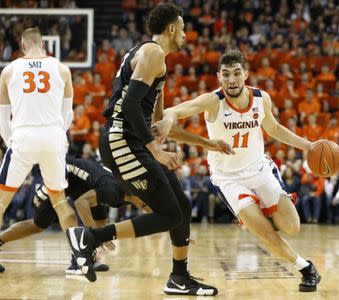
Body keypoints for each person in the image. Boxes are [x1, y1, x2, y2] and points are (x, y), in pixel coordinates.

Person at [65, 3, 228, 296]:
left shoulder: (156, 64)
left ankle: (179, 278)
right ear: (171, 28)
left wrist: (207, 143)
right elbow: (128, 106)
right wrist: (156, 151)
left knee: (182, 207)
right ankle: (89, 236)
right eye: (183, 29)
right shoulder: (152, 53)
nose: (186, 35)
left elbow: (160, 125)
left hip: (132, 140)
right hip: (121, 140)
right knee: (168, 215)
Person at [153, 50, 321, 292]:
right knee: (264, 232)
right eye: (226, 74)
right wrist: (168, 119)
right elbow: (176, 110)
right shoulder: (214, 101)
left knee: (292, 227)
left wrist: (307, 145)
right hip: (228, 178)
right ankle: (306, 268)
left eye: (236, 74)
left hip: (259, 170)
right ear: (219, 77)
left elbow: (273, 128)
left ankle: (266, 211)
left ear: (246, 74)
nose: (231, 80)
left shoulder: (261, 98)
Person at [0, 28, 77, 259]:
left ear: (23, 46)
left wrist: (11, 142)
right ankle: (80, 256)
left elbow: (3, 116)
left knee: (2, 200)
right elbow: (68, 114)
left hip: (23, 137)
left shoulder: (9, 70)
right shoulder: (62, 69)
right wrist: (58, 137)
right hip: (53, 137)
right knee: (60, 202)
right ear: (44, 45)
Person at [0, 156, 151, 274]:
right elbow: (81, 203)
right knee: (38, 225)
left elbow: (99, 216)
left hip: (82, 185)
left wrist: (100, 236)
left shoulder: (123, 191)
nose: (146, 203)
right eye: (145, 201)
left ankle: (88, 257)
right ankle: (77, 261)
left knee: (100, 220)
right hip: (63, 175)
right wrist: (94, 235)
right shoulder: (113, 189)